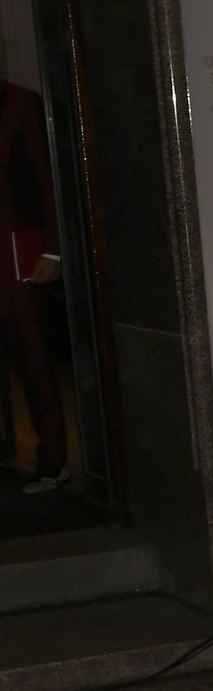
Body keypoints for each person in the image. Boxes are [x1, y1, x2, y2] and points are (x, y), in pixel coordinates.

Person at [0, 79, 68, 492]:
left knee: (33, 355)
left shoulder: (19, 103)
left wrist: (53, 250)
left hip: (13, 250)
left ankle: (54, 460)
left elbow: (46, 177)